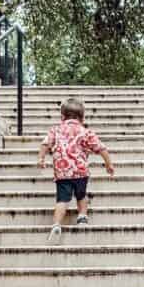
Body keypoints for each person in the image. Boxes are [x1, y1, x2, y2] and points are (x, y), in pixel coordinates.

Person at [38, 98, 115, 244]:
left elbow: (45, 143)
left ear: (62, 117)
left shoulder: (55, 130)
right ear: (82, 117)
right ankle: (82, 217)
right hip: (80, 172)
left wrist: (41, 159)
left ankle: (56, 224)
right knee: (81, 195)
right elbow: (101, 148)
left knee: (62, 199)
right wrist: (108, 164)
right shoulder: (85, 132)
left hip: (62, 172)